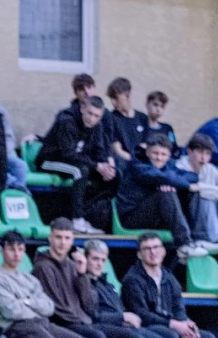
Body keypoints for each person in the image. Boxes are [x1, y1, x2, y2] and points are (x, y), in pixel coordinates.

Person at [0, 231, 95, 338]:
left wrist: (25, 301)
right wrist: (36, 306)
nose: (16, 254)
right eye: (11, 249)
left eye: (20, 249)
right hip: (17, 328)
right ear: (2, 251)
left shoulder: (30, 279)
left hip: (42, 323)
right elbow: (12, 311)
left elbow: (49, 307)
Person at [121, 232, 218, 338]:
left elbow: (178, 307)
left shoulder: (168, 277)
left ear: (163, 251)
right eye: (147, 249)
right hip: (149, 328)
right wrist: (174, 324)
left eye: (156, 247)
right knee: (170, 335)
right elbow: (142, 315)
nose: (153, 252)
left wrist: (185, 323)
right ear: (139, 254)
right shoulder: (132, 280)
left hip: (173, 325)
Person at [116, 134, 208, 258]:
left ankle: (200, 239)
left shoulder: (168, 165)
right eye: (155, 153)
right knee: (166, 193)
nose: (159, 158)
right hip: (131, 216)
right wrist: (183, 184)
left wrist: (174, 184)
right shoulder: (137, 163)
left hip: (155, 215)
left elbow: (192, 176)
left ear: (169, 156)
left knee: (193, 192)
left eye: (163, 154)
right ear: (147, 152)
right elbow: (158, 176)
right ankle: (184, 244)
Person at [83, 239, 180, 338]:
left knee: (169, 335)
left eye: (103, 260)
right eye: (95, 259)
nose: (99, 264)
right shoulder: (83, 284)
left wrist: (125, 317)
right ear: (85, 259)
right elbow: (92, 316)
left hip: (123, 325)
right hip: (106, 326)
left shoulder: (106, 285)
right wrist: (122, 317)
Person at [37, 96, 115, 234]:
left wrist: (105, 166)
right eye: (90, 113)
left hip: (76, 163)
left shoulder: (97, 126)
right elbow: (68, 154)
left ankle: (91, 218)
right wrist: (96, 166)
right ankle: (77, 219)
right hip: (49, 161)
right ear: (83, 108)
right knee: (80, 171)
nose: (92, 119)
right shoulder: (67, 121)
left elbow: (99, 151)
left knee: (113, 176)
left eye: (97, 116)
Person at [32, 219, 109, 338]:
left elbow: (89, 306)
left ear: (72, 240)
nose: (63, 242)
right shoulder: (43, 267)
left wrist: (82, 274)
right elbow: (55, 308)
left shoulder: (73, 265)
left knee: (129, 335)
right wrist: (82, 321)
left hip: (81, 322)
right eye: (58, 237)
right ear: (50, 238)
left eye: (67, 238)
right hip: (60, 324)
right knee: (98, 337)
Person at [174, 134, 218, 252]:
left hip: (208, 216)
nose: (203, 158)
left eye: (207, 154)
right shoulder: (179, 167)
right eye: (200, 152)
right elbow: (194, 188)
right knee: (206, 196)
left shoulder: (208, 168)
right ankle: (215, 239)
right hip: (189, 217)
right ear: (189, 152)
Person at [105, 77, 148, 164]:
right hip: (125, 164)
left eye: (116, 98)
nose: (113, 102)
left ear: (127, 95)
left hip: (144, 163)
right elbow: (118, 150)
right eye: (111, 98)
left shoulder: (143, 118)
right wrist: (135, 162)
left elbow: (147, 145)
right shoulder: (111, 118)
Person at [143, 91, 177, 156]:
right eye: (155, 105)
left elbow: (173, 147)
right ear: (147, 104)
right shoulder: (140, 127)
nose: (158, 109)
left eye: (162, 106)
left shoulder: (168, 128)